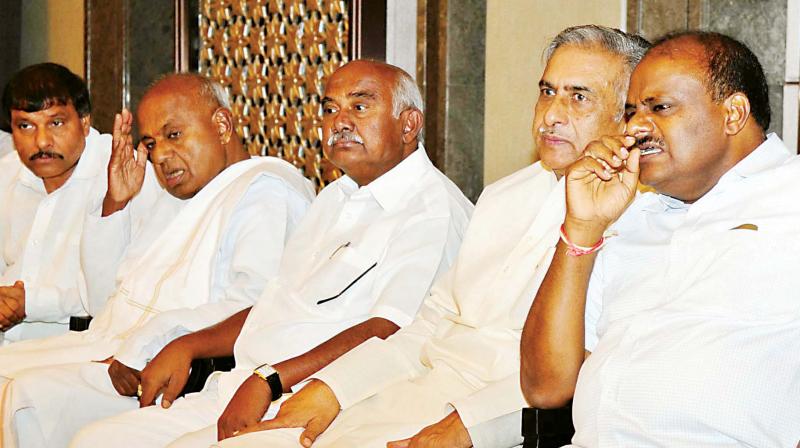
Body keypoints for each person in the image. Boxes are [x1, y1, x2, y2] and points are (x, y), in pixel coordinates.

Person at [152, 26, 645, 448]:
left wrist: (470, 425)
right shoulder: (503, 195)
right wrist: (333, 387)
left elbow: (586, 371)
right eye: (546, 91)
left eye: (577, 97)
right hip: (403, 388)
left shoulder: (638, 215)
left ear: (628, 115)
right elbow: (428, 326)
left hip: (490, 419)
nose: (551, 114)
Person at [70, 59, 473, 448]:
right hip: (242, 384)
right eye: (330, 109)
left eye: (360, 105)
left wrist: (272, 379)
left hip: (324, 404)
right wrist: (189, 344)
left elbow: (392, 330)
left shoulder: (431, 208)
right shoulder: (336, 197)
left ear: (409, 124)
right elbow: (273, 304)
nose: (340, 121)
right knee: (95, 441)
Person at [0, 73, 316, 448]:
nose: (161, 155)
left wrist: (150, 341)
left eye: (174, 135)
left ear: (222, 125)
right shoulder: (178, 195)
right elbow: (103, 299)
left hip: (178, 366)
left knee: (27, 398)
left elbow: (256, 307)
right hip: (113, 346)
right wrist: (115, 203)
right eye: (151, 143)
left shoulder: (266, 191)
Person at [521, 31, 800, 447]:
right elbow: (544, 387)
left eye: (660, 108)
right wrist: (581, 229)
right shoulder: (628, 211)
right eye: (632, 111)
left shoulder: (789, 200)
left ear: (733, 114)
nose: (636, 127)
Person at [0, 63, 154, 344]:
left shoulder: (126, 170)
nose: (42, 141)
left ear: (84, 122)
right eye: (25, 126)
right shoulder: (6, 174)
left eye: (56, 123)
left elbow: (128, 290)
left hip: (84, 345)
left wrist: (32, 302)